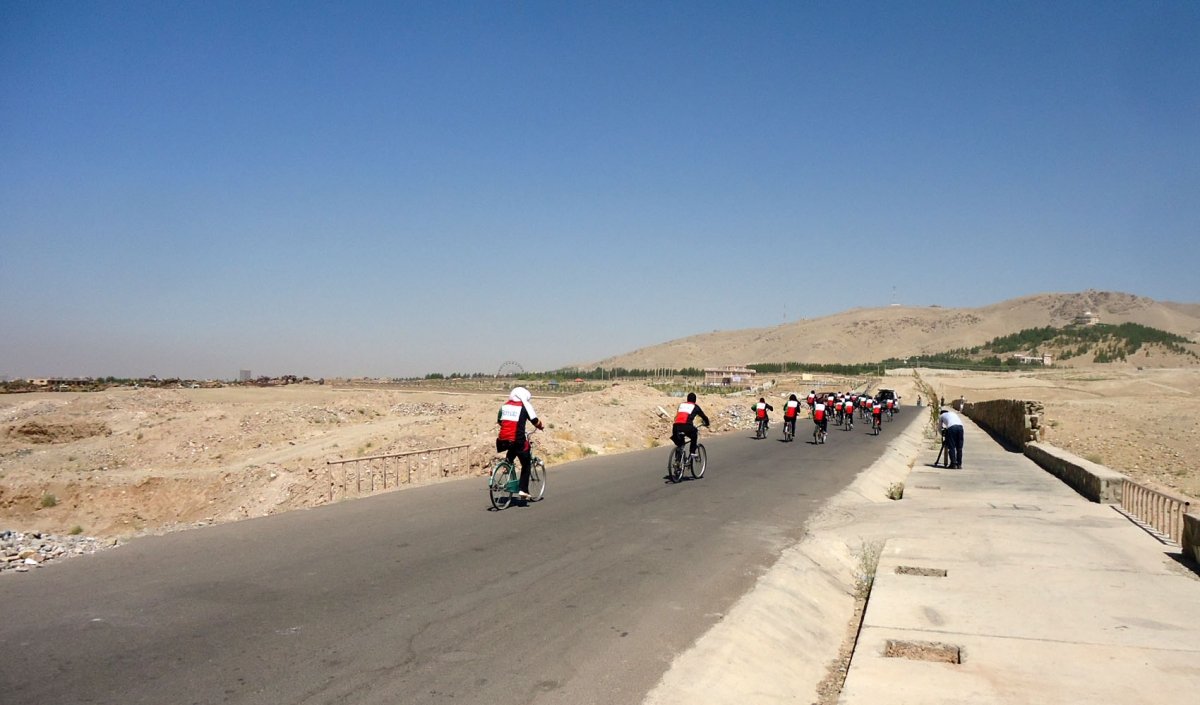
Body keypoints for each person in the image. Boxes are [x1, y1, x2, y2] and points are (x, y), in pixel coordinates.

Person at [496, 386, 545, 500]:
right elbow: (535, 421)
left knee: (512, 447)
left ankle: (507, 464)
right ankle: (523, 489)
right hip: (518, 440)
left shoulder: (504, 406)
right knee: (526, 463)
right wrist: (541, 426)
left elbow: (499, 421)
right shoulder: (524, 407)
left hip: (502, 440)